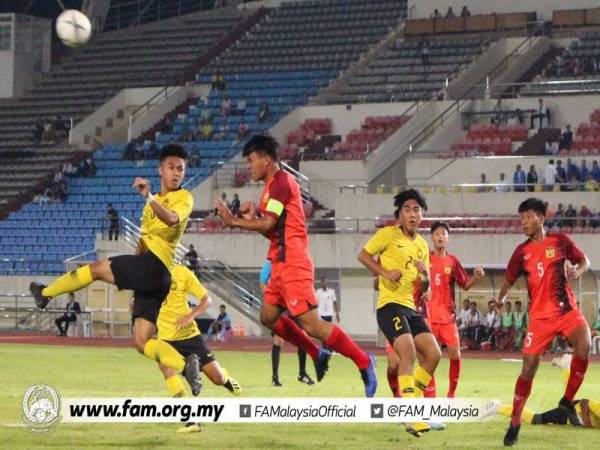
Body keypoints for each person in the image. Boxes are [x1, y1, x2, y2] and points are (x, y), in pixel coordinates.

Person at [214, 134, 377, 397]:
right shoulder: (271, 188)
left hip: (293, 263)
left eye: (252, 160)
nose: (249, 165)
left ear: (266, 159)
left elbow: (268, 225)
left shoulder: (280, 183)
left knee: (313, 326)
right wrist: (253, 218)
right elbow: (273, 230)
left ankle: (365, 361)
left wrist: (234, 221)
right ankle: (316, 353)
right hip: (279, 261)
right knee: (267, 316)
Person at [30, 145, 196, 382]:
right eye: (171, 168)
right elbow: (143, 242)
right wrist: (134, 282)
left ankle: (45, 294)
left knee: (96, 269)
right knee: (141, 341)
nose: (176, 173)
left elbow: (171, 219)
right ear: (160, 170)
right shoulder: (151, 204)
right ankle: (185, 365)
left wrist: (148, 196)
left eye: (180, 169)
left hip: (157, 267)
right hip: (150, 274)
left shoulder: (184, 198)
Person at [497, 198, 591, 446]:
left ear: (542, 217)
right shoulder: (522, 252)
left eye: (528, 217)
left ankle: (567, 402)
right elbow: (507, 281)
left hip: (566, 309)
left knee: (585, 345)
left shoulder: (560, 241)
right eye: (521, 218)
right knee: (528, 369)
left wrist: (577, 272)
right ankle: (515, 422)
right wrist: (500, 300)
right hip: (539, 318)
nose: (523, 222)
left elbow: (584, 261)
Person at [358, 189, 439, 436]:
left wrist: (424, 277)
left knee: (434, 354)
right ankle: (410, 414)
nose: (413, 214)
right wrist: (384, 272)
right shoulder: (388, 235)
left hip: (410, 307)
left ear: (422, 214)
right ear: (400, 214)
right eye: (407, 209)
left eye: (417, 210)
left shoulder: (423, 246)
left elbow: (424, 287)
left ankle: (409, 400)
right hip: (389, 305)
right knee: (408, 352)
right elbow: (362, 255)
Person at [157, 264, 241, 433]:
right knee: (165, 367)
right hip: (166, 338)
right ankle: (190, 421)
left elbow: (206, 299)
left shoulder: (182, 272)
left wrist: (190, 315)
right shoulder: (149, 273)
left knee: (216, 378)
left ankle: (225, 379)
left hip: (190, 336)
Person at [427, 221, 485, 397]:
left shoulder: (452, 261)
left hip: (447, 317)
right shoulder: (424, 259)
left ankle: (451, 395)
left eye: (443, 234)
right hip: (428, 317)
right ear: (432, 237)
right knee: (429, 358)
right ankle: (429, 399)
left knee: (455, 355)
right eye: (437, 234)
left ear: (448, 238)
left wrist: (475, 277)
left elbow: (465, 284)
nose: (440, 237)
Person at [498, 354, 599, 428]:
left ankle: (565, 366)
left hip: (572, 415)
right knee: (534, 419)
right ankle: (497, 407)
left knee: (570, 396)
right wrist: (587, 424)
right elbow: (585, 402)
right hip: (566, 415)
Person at [260, 260, 314, 387]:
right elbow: (262, 281)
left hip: (293, 306)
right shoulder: (271, 262)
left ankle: (302, 374)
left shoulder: (293, 259)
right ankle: (275, 378)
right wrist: (270, 299)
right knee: (278, 340)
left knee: (303, 338)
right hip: (279, 306)